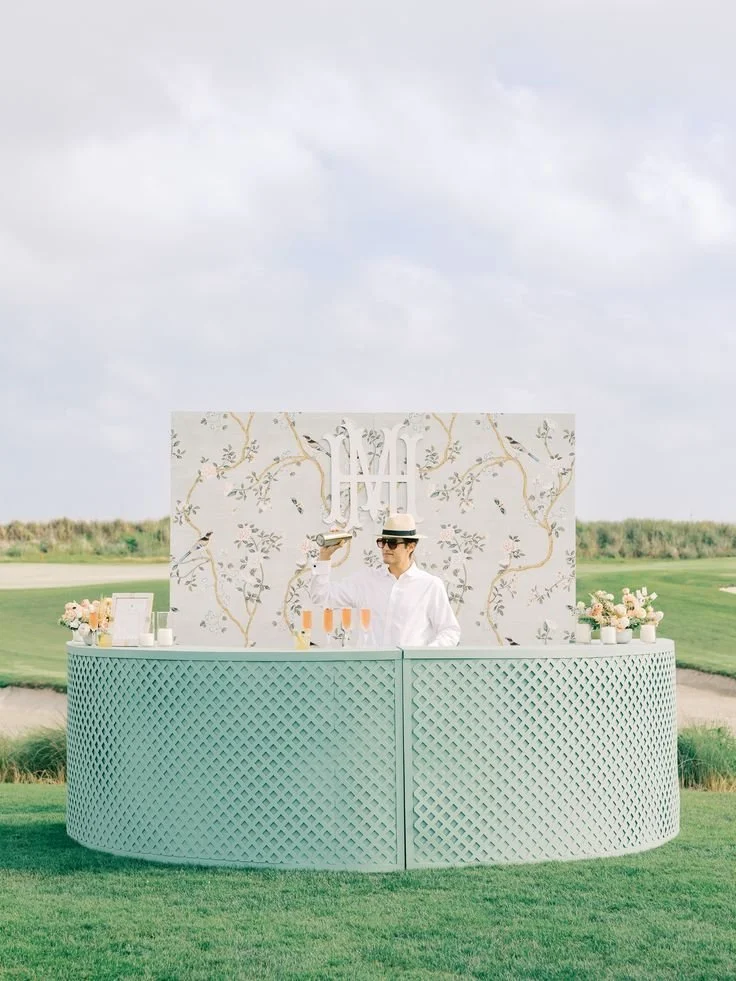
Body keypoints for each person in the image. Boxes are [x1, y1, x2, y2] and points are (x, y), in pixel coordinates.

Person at [310, 513, 461, 648]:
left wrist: (423, 657)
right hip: (367, 672)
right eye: (383, 542)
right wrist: (324, 557)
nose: (385, 548)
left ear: (411, 546)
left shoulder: (430, 585)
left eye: (393, 543)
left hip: (409, 673)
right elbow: (322, 597)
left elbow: (450, 631)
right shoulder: (365, 580)